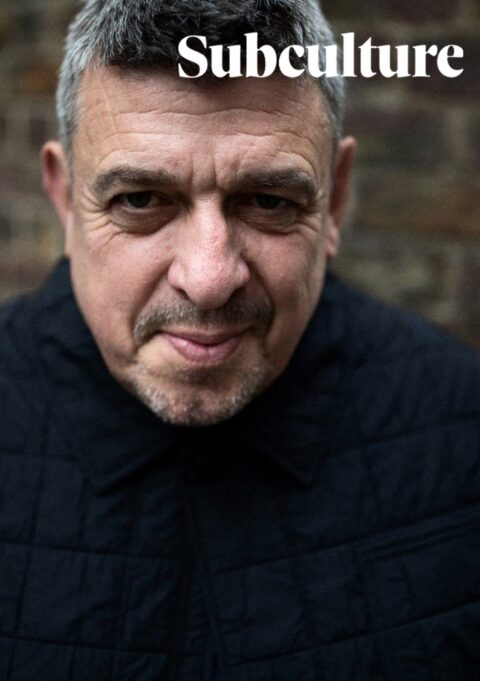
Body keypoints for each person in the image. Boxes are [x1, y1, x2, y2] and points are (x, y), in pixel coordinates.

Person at [0, 1, 479, 679]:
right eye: (140, 200)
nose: (209, 279)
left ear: (336, 197)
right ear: (64, 198)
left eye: (269, 201)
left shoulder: (463, 432)